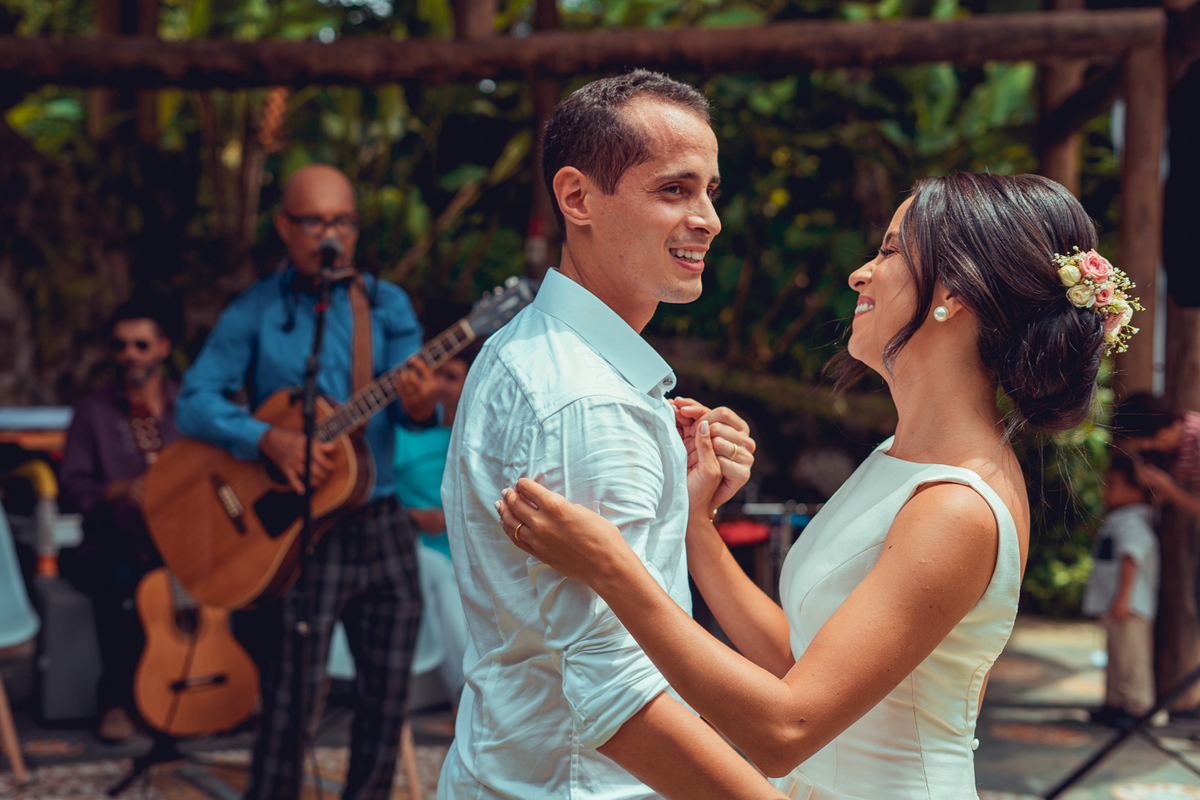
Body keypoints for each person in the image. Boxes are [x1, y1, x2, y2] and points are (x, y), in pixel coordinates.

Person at [497, 172, 1137, 798]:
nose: (861, 272)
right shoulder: (901, 456)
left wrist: (612, 567)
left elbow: (786, 726)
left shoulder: (957, 506)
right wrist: (696, 526)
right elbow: (802, 665)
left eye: (890, 250)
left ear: (957, 292)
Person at [439, 71, 784, 800]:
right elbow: (617, 693)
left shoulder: (534, 350)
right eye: (674, 190)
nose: (708, 219)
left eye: (710, 191)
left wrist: (688, 513)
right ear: (577, 198)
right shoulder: (586, 400)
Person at [176, 163, 436, 800]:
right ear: (285, 227)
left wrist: (424, 402)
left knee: (386, 695)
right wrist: (265, 438)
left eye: (343, 221)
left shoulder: (385, 303)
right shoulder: (257, 309)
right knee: (291, 698)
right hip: (295, 528)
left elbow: (413, 408)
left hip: (378, 521)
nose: (332, 235)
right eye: (316, 221)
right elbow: (195, 398)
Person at [60, 300, 180, 742]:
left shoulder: (191, 406)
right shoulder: (93, 411)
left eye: (141, 344)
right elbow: (71, 486)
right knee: (123, 583)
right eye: (121, 345)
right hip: (114, 540)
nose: (131, 354)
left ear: (162, 347)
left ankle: (222, 690)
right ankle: (116, 701)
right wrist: (118, 490)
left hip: (182, 542)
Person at [392, 301, 476, 707]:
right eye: (436, 374)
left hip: (471, 548)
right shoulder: (403, 432)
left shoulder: (480, 435)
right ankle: (470, 697)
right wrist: (413, 517)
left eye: (452, 376)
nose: (441, 384)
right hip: (417, 549)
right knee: (441, 575)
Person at [1083, 454, 1159, 728]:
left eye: (1113, 484)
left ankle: (1139, 707)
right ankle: (1115, 703)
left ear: (1136, 490)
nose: (1106, 490)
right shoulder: (1120, 518)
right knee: (1116, 657)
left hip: (1129, 604)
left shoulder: (1133, 520)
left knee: (1133, 658)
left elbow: (1131, 557)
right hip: (1117, 603)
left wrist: (1123, 597)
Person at [1111, 393, 1200, 518]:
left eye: (1142, 445)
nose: (1145, 450)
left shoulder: (1197, 442)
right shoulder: (1183, 429)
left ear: (1163, 435)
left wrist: (1171, 491)